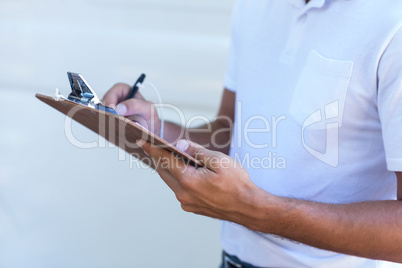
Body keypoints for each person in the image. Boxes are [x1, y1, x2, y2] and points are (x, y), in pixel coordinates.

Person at [103, 0, 402, 267]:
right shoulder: (254, 6)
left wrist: (252, 209)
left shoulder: (393, 21)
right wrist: (156, 131)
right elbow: (229, 132)